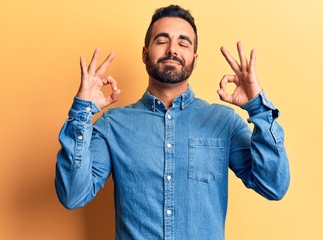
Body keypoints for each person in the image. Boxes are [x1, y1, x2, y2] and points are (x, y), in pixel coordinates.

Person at [55, 5, 290, 240]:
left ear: (194, 59)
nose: (172, 50)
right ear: (145, 53)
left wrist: (258, 107)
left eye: (183, 43)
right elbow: (73, 195)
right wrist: (82, 112)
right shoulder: (112, 125)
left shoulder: (224, 122)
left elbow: (273, 185)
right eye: (162, 40)